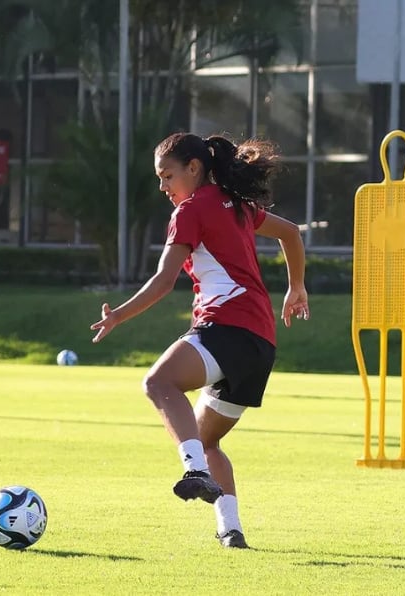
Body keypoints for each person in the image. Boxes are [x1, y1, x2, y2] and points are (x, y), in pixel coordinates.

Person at [90, 132, 309, 550]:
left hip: (226, 327)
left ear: (194, 168)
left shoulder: (190, 210)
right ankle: (231, 529)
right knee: (207, 440)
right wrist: (295, 286)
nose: (162, 187)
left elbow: (164, 280)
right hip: (261, 344)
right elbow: (292, 233)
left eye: (167, 175)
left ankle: (193, 472)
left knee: (158, 383)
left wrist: (119, 315)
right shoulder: (237, 205)